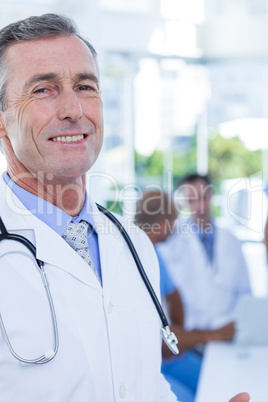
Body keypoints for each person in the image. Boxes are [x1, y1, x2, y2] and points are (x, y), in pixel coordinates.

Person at [0, 14, 250, 402]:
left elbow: (144, 383)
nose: (73, 109)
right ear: (2, 123)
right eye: (43, 90)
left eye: (85, 86)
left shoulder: (132, 245)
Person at [135, 190, 235, 402]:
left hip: (167, 353)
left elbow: (175, 296)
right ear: (163, 224)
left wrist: (177, 339)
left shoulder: (154, 253)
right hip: (144, 364)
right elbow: (152, 338)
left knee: (215, 381)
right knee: (197, 394)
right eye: (174, 221)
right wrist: (210, 335)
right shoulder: (132, 255)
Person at [157, 174, 252, 333]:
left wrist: (234, 325)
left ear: (211, 195)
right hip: (190, 336)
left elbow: (245, 293)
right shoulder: (171, 242)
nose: (199, 206)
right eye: (191, 200)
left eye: (203, 197)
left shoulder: (232, 240)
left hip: (229, 332)